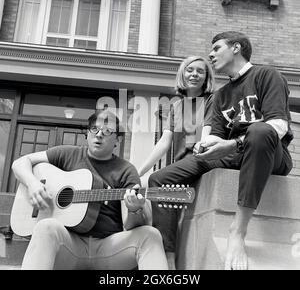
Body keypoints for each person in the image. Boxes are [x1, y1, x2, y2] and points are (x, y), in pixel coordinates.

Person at [148, 31, 293, 270]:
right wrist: (205, 146)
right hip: (231, 154)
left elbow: (278, 126)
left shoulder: (267, 75)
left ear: (236, 48)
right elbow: (216, 135)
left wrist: (233, 144)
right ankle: (169, 256)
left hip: (268, 151)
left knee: (259, 130)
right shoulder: (219, 95)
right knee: (160, 178)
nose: (210, 54)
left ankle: (238, 230)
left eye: (216, 48)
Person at [12, 109, 168, 270]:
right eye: (94, 129)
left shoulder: (127, 170)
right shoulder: (67, 154)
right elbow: (20, 163)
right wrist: (33, 184)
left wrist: (134, 210)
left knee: (151, 235)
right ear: (87, 133)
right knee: (45, 226)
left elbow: (130, 226)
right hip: (69, 245)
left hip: (109, 248)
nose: (99, 134)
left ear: (117, 140)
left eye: (108, 131)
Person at [138, 56, 215, 269]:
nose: (194, 74)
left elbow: (206, 135)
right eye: (190, 70)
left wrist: (201, 147)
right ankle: (154, 256)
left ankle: (168, 258)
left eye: (200, 71)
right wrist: (138, 171)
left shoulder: (211, 101)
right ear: (183, 73)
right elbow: (164, 142)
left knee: (157, 180)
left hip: (200, 159)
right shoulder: (177, 106)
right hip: (181, 166)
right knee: (146, 187)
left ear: (206, 77)